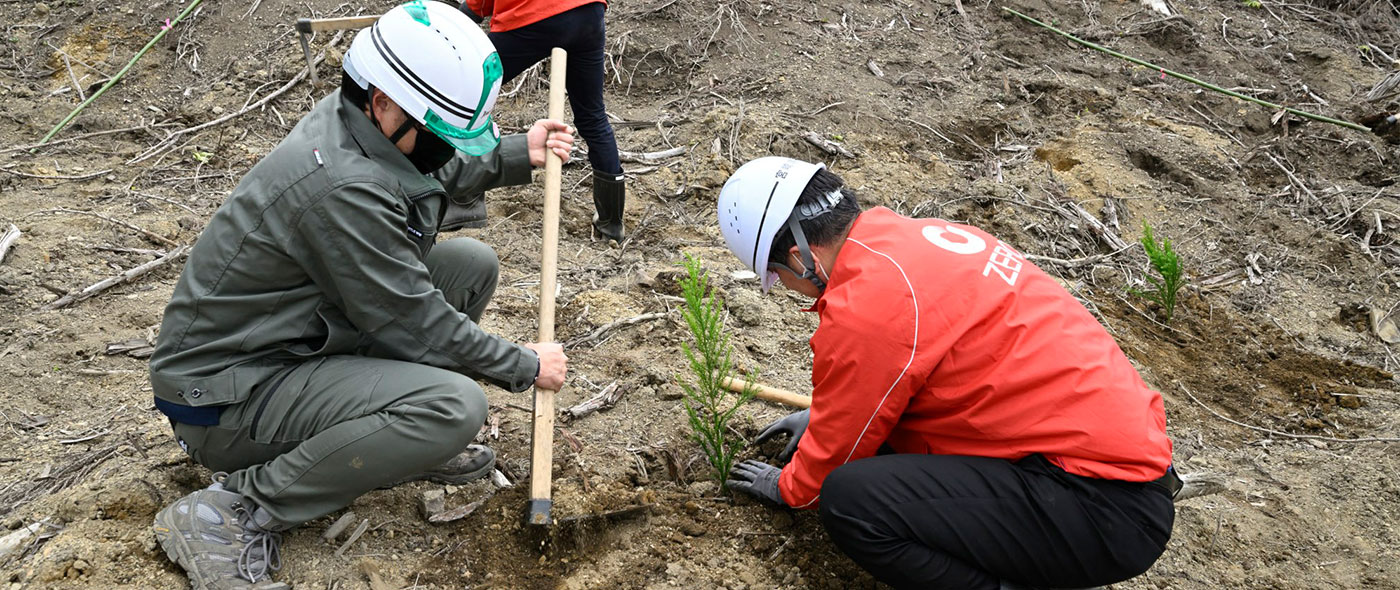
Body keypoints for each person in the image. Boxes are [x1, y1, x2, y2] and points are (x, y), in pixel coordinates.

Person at [147, 3, 573, 588]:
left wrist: (512, 153)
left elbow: (422, 166)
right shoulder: (340, 184)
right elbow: (414, 318)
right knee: (453, 406)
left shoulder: (361, 123)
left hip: (293, 339)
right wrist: (523, 365)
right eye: (442, 134)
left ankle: (389, 440)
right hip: (228, 395)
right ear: (384, 105)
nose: (446, 148)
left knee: (469, 267)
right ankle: (235, 510)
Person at [717, 157, 1180, 590]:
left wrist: (787, 486)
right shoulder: (920, 239)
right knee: (885, 448)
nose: (786, 288)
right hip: (1117, 467)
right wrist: (824, 417)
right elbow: (902, 382)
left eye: (778, 275)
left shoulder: (867, 305)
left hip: (1100, 506)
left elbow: (832, 461)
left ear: (800, 257)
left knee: (853, 502)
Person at [445, 0, 627, 243]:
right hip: (587, 14)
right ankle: (611, 224)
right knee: (593, 117)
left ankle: (461, 200)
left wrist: (451, 29)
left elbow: (477, 6)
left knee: (468, 95)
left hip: (531, 16)